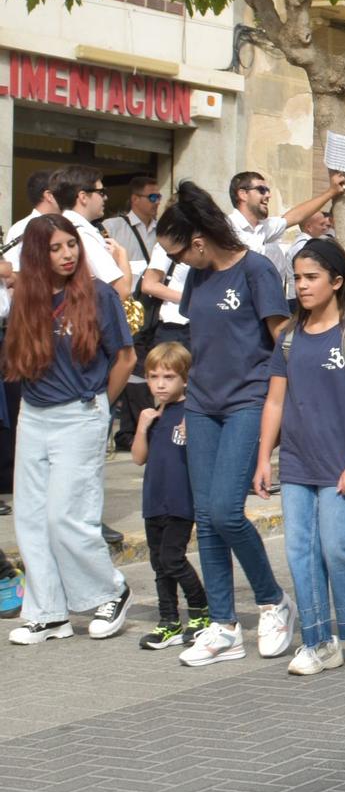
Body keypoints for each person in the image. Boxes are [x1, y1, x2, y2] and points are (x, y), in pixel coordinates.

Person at [156, 184, 296, 667]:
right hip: (201, 404)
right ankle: (223, 626)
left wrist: (289, 402)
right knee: (207, 517)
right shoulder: (198, 278)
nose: (178, 264)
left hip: (247, 402)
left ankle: (273, 600)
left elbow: (282, 339)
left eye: (178, 253)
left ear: (198, 242)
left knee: (226, 512)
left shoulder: (256, 270)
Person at [253, 239, 345, 676]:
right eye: (297, 278)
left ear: (336, 282)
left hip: (341, 464)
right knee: (301, 552)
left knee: (339, 547)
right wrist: (264, 459)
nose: (301, 286)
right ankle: (318, 641)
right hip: (297, 463)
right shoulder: (288, 338)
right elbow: (274, 402)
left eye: (311, 277)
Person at [3, 215, 136, 645]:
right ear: (38, 255)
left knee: (66, 516)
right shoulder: (27, 297)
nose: (66, 255)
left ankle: (111, 590)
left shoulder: (98, 295)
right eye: (56, 248)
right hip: (34, 415)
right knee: (31, 519)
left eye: (71, 245)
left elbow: (126, 359)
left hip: (80, 414)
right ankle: (48, 613)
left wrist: (99, 404)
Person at [130, 342, 209, 650]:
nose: (160, 384)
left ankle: (200, 610)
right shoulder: (152, 416)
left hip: (180, 502)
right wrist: (141, 426)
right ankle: (168, 622)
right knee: (159, 565)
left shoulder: (190, 412)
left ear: (185, 379)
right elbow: (138, 458)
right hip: (153, 502)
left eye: (168, 377)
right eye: (153, 377)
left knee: (172, 559)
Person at [4, 165, 131, 298]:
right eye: (101, 192)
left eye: (71, 245)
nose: (105, 198)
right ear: (83, 197)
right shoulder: (81, 233)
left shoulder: (66, 227)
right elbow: (121, 291)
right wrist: (122, 256)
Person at [105, 177, 161, 449]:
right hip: (126, 309)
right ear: (135, 199)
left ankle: (129, 431)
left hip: (154, 311)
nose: (157, 202)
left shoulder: (163, 231)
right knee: (133, 366)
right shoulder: (113, 228)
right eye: (152, 197)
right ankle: (135, 429)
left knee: (143, 367)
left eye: (159, 197)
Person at [228, 168, 345, 280]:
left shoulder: (265, 227)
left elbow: (296, 216)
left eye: (268, 191)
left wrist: (331, 192)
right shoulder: (226, 228)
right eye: (262, 190)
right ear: (243, 194)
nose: (268, 195)